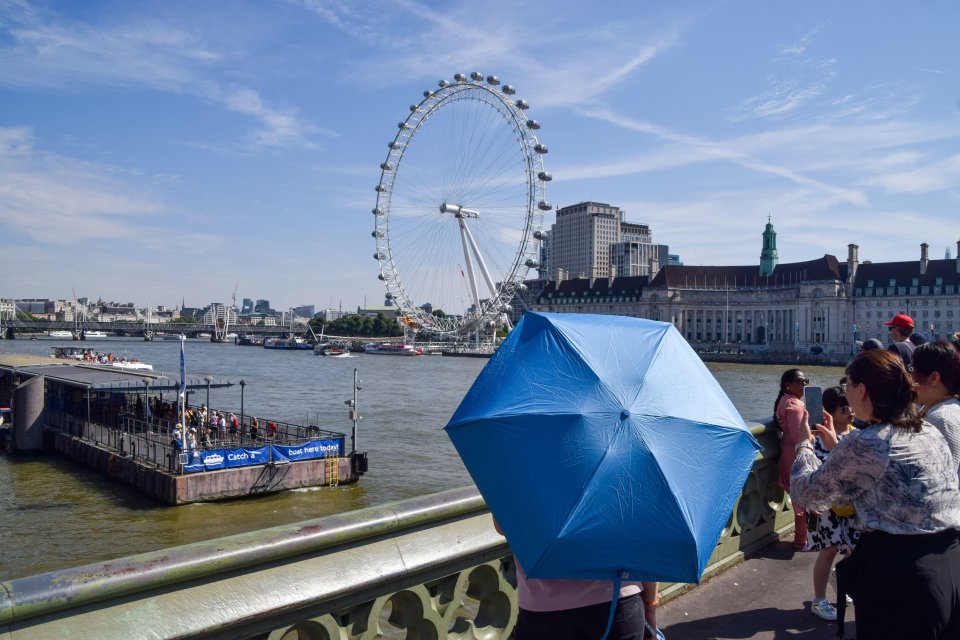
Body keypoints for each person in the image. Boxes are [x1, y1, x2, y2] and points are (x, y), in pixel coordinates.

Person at [791, 349, 960, 639]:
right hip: (950, 564)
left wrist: (804, 445)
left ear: (862, 390)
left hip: (901, 578)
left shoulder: (867, 441)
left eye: (848, 385)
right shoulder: (927, 429)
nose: (846, 392)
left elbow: (809, 494)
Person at [494, 519, 660, 639]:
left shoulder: (517, 469)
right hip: (617, 601)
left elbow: (502, 525)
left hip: (541, 607)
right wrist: (650, 606)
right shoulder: (622, 469)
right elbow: (645, 537)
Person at [803, 386, 860, 622]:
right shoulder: (817, 439)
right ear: (831, 412)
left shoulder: (857, 435)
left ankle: (839, 579)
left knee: (854, 548)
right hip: (826, 506)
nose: (850, 412)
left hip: (851, 504)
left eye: (851, 407)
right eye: (844, 408)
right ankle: (819, 600)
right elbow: (813, 472)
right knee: (828, 550)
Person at [912, 340, 960, 479]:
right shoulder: (944, 408)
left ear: (933, 378)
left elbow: (937, 479)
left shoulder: (940, 419)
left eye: (912, 369)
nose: (909, 377)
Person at [774, 368, 810, 549]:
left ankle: (802, 538)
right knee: (802, 498)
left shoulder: (785, 401)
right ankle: (802, 539)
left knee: (799, 497)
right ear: (788, 385)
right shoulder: (794, 406)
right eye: (799, 382)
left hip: (787, 452)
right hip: (796, 455)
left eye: (805, 382)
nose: (803, 385)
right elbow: (799, 438)